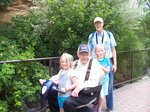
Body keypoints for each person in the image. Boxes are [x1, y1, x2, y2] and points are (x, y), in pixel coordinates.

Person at [63, 44, 105, 112]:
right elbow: (64, 72)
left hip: (88, 93)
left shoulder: (94, 63)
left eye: (86, 54)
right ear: (78, 54)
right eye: (82, 54)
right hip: (74, 91)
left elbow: (94, 82)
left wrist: (79, 87)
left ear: (90, 54)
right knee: (54, 93)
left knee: (68, 103)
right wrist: (51, 80)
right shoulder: (75, 63)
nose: (84, 57)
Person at [88, 17, 117, 112]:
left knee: (108, 86)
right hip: (95, 63)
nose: (98, 25)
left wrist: (115, 63)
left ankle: (110, 107)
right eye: (96, 23)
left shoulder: (109, 35)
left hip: (107, 62)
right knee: (95, 84)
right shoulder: (91, 36)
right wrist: (89, 64)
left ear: (103, 23)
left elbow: (113, 50)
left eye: (99, 23)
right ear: (94, 25)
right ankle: (97, 105)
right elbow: (89, 51)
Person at [94, 44, 111, 112]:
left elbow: (108, 71)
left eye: (102, 50)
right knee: (97, 95)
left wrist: (101, 67)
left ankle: (99, 109)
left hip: (105, 81)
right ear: (96, 52)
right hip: (97, 81)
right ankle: (96, 106)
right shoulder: (95, 60)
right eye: (98, 51)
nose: (100, 52)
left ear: (104, 51)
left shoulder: (107, 60)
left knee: (102, 95)